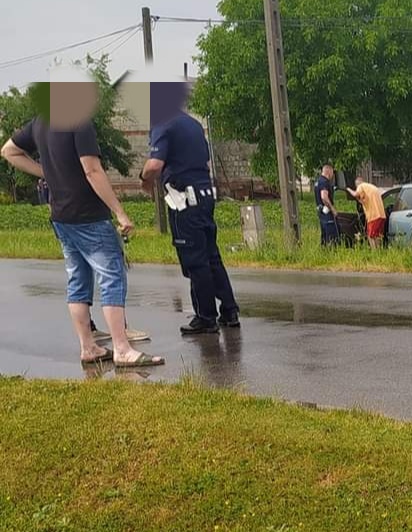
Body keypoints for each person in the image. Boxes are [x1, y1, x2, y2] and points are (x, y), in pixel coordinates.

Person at [1, 89, 164, 367]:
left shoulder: (40, 122)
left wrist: (46, 172)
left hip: (61, 215)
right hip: (88, 214)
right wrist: (121, 213)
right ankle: (122, 348)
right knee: (112, 276)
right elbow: (92, 170)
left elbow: (8, 150)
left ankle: (88, 348)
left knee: (78, 279)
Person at [140, 82, 240, 335]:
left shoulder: (163, 124)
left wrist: (145, 181)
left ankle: (205, 317)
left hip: (184, 199)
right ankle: (229, 311)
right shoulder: (193, 124)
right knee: (212, 256)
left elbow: (154, 165)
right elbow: (204, 159)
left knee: (195, 260)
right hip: (205, 195)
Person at [346, 174, 386, 249]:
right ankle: (379, 253)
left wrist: (348, 189)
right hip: (382, 215)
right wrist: (360, 200)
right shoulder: (371, 187)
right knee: (377, 236)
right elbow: (365, 201)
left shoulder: (361, 186)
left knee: (370, 236)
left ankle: (374, 253)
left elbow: (355, 194)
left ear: (358, 184)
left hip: (373, 216)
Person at [314, 164, 340, 246]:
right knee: (331, 236)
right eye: (332, 173)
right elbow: (324, 197)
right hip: (327, 213)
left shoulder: (318, 181)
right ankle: (331, 254)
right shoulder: (324, 182)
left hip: (321, 212)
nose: (332, 175)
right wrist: (333, 209)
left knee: (324, 236)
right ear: (329, 171)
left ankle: (324, 253)